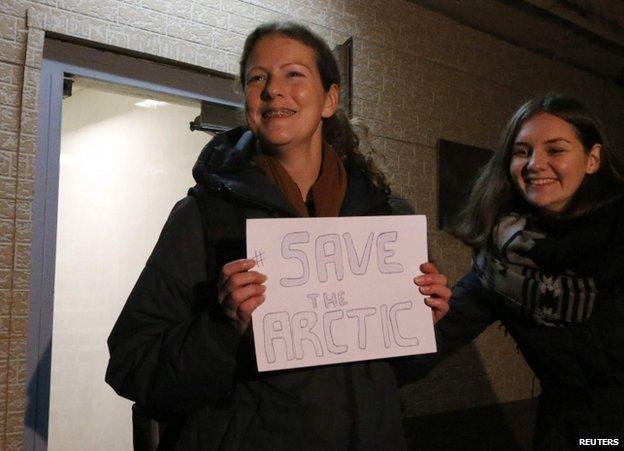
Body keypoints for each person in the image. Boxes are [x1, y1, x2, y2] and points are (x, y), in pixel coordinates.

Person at [106, 21, 450, 450]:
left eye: (294, 74)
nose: (273, 90)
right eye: (257, 78)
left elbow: (401, 371)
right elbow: (131, 365)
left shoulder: (383, 216)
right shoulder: (203, 217)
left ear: (329, 100)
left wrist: (423, 320)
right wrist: (221, 328)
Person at [436, 94, 624, 449]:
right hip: (565, 429)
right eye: (522, 151)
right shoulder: (502, 257)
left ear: (593, 159)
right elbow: (443, 330)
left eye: (556, 150)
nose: (535, 164)